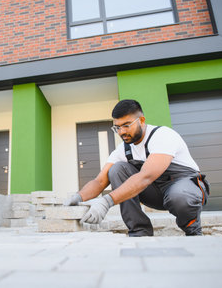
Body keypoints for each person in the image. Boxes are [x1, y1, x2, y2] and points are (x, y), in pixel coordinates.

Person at [64, 99, 209, 236]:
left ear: (141, 120)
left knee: (179, 196)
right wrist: (78, 197)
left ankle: (193, 230)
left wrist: (106, 201)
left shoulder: (162, 135)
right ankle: (140, 231)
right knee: (117, 169)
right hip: (156, 193)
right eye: (117, 127)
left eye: (126, 125)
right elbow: (100, 181)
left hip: (185, 187)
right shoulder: (123, 149)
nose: (121, 132)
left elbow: (146, 176)